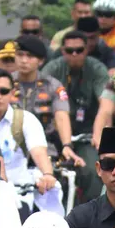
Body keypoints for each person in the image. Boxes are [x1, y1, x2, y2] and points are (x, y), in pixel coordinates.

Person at [0, 67, 62, 215]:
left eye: (4, 91)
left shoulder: (26, 119)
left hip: (18, 194)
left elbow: (39, 151)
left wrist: (48, 174)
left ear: (12, 93)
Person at [9, 35, 75, 163]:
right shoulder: (5, 84)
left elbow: (61, 116)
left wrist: (67, 145)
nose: (24, 60)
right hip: (10, 147)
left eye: (29, 56)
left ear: (40, 61)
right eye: (20, 55)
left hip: (45, 146)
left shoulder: (53, 86)